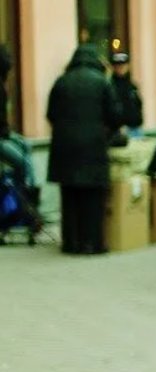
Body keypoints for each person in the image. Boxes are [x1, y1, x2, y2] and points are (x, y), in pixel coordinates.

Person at [46, 44, 122, 254]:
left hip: (65, 149)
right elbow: (115, 115)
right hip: (93, 147)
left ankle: (71, 243)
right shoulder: (102, 82)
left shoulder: (61, 82)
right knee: (93, 198)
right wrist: (106, 133)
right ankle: (92, 244)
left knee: (69, 198)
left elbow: (51, 114)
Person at [0, 44, 38, 202]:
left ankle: (29, 195)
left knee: (26, 146)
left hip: (4, 133)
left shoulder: (2, 86)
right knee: (22, 162)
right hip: (1, 136)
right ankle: (25, 202)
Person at [109, 52, 144, 138]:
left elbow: (139, 105)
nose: (121, 68)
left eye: (123, 65)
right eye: (118, 65)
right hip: (119, 131)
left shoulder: (133, 86)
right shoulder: (110, 87)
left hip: (136, 129)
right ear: (113, 67)